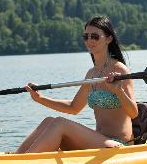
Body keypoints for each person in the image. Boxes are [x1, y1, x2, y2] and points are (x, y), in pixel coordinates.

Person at [15, 16, 138, 153]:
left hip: (118, 144)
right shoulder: (91, 73)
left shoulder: (120, 70)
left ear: (108, 39)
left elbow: (133, 113)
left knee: (60, 123)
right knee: (49, 121)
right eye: (86, 36)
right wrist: (40, 99)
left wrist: (118, 91)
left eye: (95, 36)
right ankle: (15, 158)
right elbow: (74, 107)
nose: (90, 40)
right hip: (98, 140)